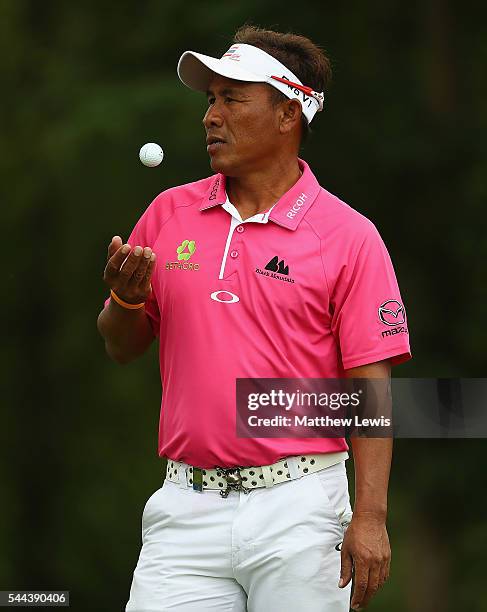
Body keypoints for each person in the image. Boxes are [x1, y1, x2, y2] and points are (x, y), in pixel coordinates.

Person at [97, 25, 411, 612]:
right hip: (183, 510)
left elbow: (371, 389)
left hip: (300, 511)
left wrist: (369, 518)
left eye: (232, 98)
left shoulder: (350, 237)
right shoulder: (169, 212)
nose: (211, 116)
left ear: (290, 113)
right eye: (210, 99)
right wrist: (126, 300)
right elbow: (121, 344)